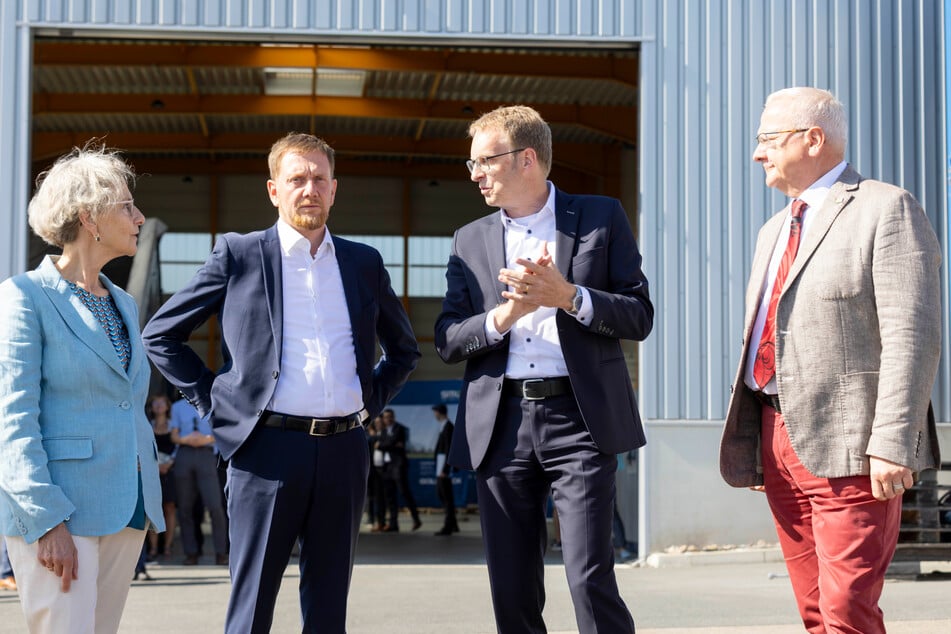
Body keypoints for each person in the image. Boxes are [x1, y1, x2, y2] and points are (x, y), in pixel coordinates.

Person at [142, 132, 419, 634]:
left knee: (329, 604)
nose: (308, 188)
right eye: (297, 179)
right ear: (274, 190)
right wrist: (218, 406)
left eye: (319, 178)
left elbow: (404, 350)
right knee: (252, 607)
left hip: (344, 451)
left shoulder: (363, 263)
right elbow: (161, 336)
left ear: (335, 189)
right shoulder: (240, 254)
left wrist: (367, 403)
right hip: (264, 450)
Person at [720, 87, 941, 634]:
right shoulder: (773, 230)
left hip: (854, 446)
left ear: (813, 139)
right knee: (815, 611)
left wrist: (894, 442)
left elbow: (912, 335)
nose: (757, 153)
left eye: (767, 139)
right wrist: (757, 441)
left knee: (847, 612)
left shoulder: (886, 207)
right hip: (775, 435)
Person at [434, 105, 653, 634]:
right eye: (471, 164)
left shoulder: (601, 216)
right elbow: (447, 338)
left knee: (588, 577)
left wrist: (568, 296)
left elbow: (639, 315)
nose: (475, 174)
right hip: (501, 422)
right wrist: (507, 315)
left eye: (484, 161)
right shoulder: (470, 239)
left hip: (580, 419)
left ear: (526, 158)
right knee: (511, 584)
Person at [0, 145, 164, 633]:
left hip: (126, 506)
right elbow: (12, 419)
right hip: (61, 514)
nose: (138, 217)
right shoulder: (24, 297)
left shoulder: (124, 305)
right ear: (90, 217)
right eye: (127, 206)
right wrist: (45, 520)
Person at [169, 397, 228, 566]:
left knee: (215, 506)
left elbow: (222, 431)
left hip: (206, 454)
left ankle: (220, 552)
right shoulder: (177, 407)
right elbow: (174, 435)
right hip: (185, 454)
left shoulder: (214, 404)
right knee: (185, 507)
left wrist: (206, 439)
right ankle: (191, 553)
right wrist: (185, 440)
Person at [377, 408, 422, 532]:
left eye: (390, 417)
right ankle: (393, 524)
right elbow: (387, 443)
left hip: (399, 466)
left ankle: (416, 519)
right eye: (385, 417)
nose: (388, 419)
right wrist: (388, 445)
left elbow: (385, 444)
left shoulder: (400, 429)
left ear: (393, 417)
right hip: (387, 467)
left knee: (404, 492)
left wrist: (383, 445)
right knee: (390, 497)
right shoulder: (383, 431)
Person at [147, 394, 177, 561]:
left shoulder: (173, 426)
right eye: (155, 403)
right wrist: (155, 465)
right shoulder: (147, 425)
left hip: (170, 471)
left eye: (162, 402)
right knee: (153, 509)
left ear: (167, 406)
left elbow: (178, 447)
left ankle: (167, 546)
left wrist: (169, 464)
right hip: (153, 471)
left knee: (169, 508)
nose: (158, 406)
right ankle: (153, 548)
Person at [431, 403, 458, 536]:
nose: (434, 414)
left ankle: (448, 526)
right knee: (444, 495)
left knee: (446, 497)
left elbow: (449, 449)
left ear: (439, 412)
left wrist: (445, 469)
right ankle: (453, 524)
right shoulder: (444, 426)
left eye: (435, 411)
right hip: (441, 465)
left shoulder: (448, 427)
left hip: (443, 467)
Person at [365, 416, 387, 532]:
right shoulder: (370, 436)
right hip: (372, 471)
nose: (379, 424)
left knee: (381, 498)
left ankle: (381, 521)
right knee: (371, 496)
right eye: (376, 422)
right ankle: (371, 519)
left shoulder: (385, 434)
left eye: (380, 422)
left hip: (383, 470)